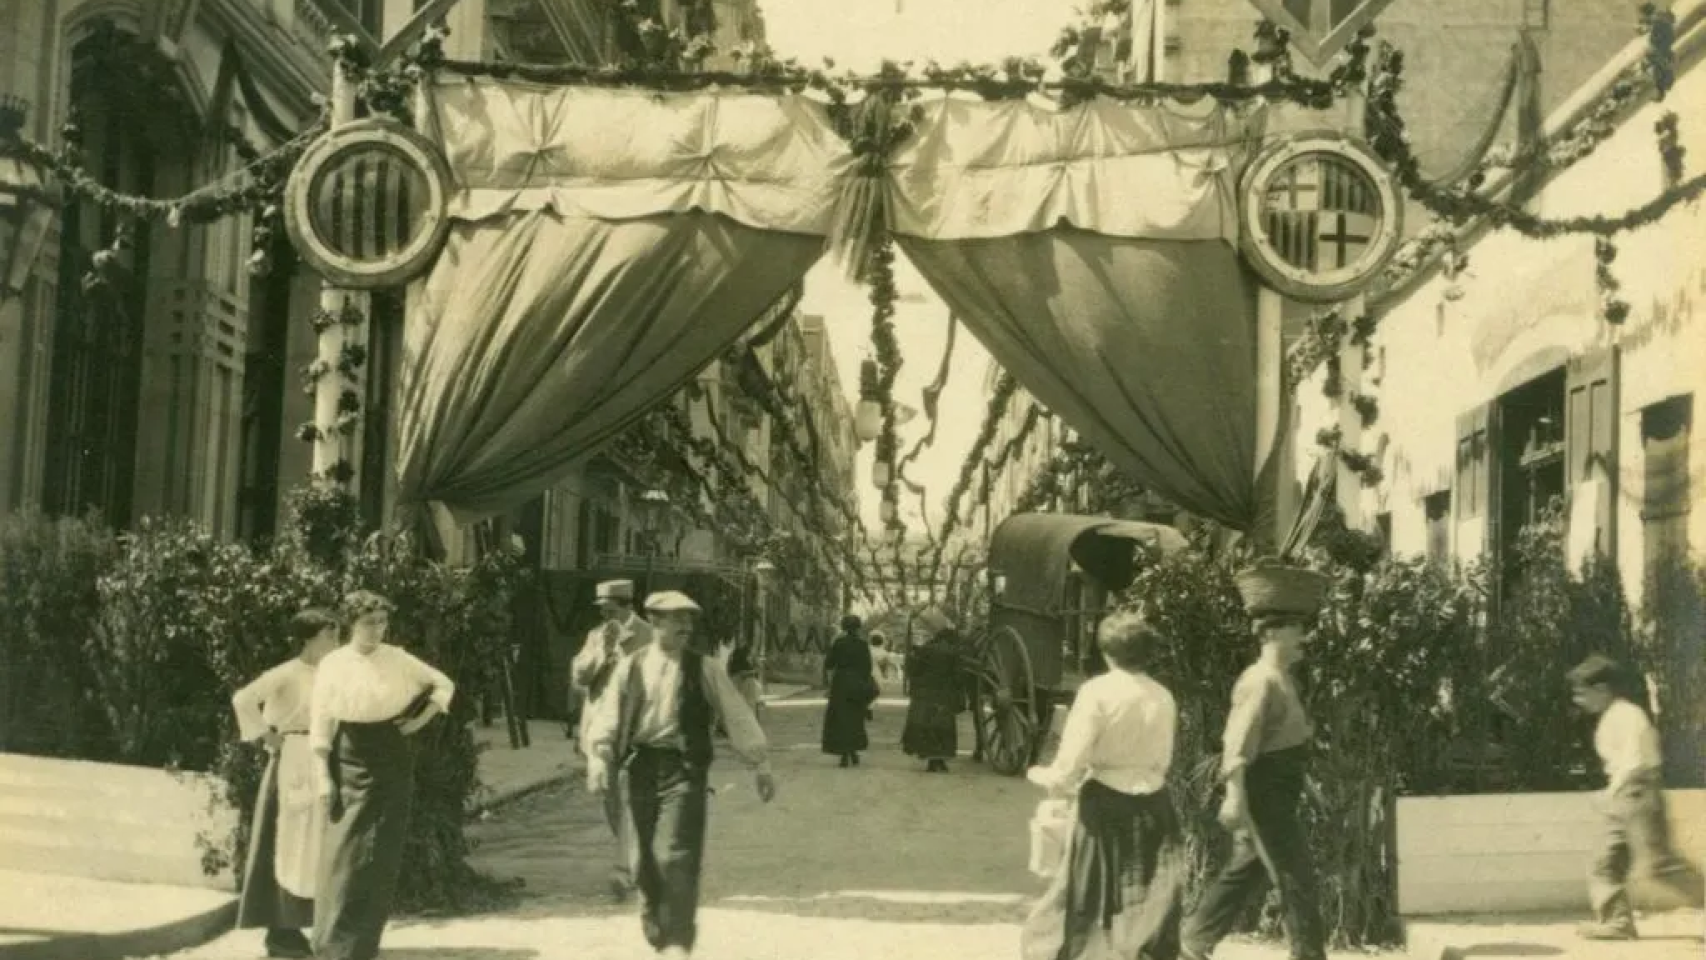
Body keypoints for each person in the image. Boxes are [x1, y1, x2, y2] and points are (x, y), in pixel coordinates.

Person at [584, 591, 777, 960]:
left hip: (685, 769)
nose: (687, 626)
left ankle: (676, 942)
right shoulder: (631, 666)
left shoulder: (703, 668)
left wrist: (760, 763)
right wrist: (597, 759)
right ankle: (659, 930)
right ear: (655, 622)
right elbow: (607, 714)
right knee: (642, 861)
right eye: (677, 619)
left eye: (689, 619)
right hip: (640, 767)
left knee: (677, 855)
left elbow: (735, 713)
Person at [1022, 609, 1184, 960]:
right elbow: (1164, 759)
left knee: (1092, 896)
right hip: (1155, 804)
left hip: (1106, 804)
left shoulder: (1098, 692)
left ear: (1106, 651)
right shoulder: (1163, 696)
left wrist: (1044, 776)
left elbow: (1071, 761)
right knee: (1145, 897)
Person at [1180, 574, 1328, 960]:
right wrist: (1234, 797)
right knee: (1296, 876)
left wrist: (1306, 782)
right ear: (1273, 633)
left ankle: (1193, 940)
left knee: (1247, 869)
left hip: (1278, 786)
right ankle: (1308, 954)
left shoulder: (1282, 679)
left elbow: (1284, 741)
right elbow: (1238, 744)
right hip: (1265, 792)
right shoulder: (1260, 681)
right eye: (1297, 629)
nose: (1303, 638)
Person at [309, 590, 455, 960]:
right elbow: (321, 720)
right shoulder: (334, 663)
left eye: (382, 622)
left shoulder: (399, 659)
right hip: (347, 754)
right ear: (350, 624)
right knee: (342, 852)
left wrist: (417, 722)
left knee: (381, 853)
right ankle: (330, 946)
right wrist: (322, 776)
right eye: (368, 622)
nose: (377, 630)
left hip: (390, 755)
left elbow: (443, 684)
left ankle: (361, 947)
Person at [1567, 654, 1704, 941]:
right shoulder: (1609, 718)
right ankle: (1617, 922)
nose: (1578, 700)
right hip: (1622, 796)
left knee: (1660, 866)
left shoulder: (1628, 714)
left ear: (1602, 689)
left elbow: (1638, 760)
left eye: (1582, 692)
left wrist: (1618, 792)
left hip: (1638, 793)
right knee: (1605, 863)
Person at [231, 607, 341, 959]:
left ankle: (310, 926)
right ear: (309, 638)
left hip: (323, 758)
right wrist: (267, 737)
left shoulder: (334, 673)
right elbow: (243, 699)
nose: (335, 641)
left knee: (319, 843)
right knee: (286, 841)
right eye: (329, 634)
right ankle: (281, 931)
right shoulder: (288, 673)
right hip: (292, 759)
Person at [570, 579, 654, 901]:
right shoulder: (596, 637)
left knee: (633, 796)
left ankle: (633, 865)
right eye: (602, 611)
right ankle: (631, 857)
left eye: (610, 611)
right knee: (609, 797)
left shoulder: (649, 636)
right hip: (601, 730)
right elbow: (579, 676)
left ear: (626, 607)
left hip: (635, 730)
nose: (605, 617)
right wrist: (602, 652)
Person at [901, 607, 963, 774]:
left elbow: (915, 671)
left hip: (928, 693)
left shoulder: (927, 649)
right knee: (944, 726)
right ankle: (941, 761)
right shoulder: (953, 651)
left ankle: (931, 761)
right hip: (945, 694)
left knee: (929, 725)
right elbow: (958, 675)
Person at [822, 614, 878, 768]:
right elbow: (868, 667)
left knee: (840, 717)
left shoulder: (839, 643)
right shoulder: (862, 644)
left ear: (844, 627)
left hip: (840, 683)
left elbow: (829, 664)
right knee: (855, 717)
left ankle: (844, 754)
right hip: (857, 683)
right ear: (858, 627)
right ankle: (853, 750)